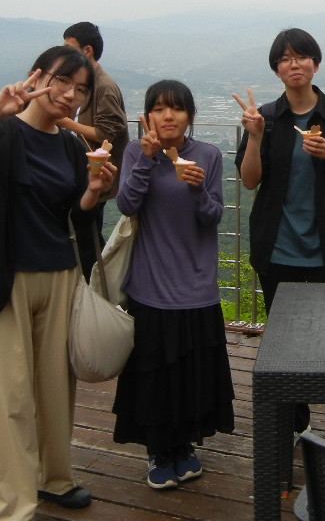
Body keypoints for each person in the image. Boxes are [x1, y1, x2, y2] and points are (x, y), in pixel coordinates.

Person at [0, 46, 114, 521]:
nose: (69, 95)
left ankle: (54, 477)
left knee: (55, 391)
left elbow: (72, 216)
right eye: (62, 81)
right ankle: (13, 505)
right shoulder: (0, 133)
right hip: (6, 281)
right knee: (7, 399)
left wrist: (93, 193)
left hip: (60, 277)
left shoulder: (71, 145)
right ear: (38, 77)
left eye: (80, 90)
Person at [233, 28, 325, 449]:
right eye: (285, 58)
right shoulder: (266, 119)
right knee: (285, 346)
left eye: (301, 56)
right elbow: (249, 180)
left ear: (316, 64)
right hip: (278, 249)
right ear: (276, 69)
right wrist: (256, 136)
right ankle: (295, 425)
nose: (294, 64)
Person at [111, 80, 235, 489]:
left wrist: (197, 189)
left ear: (190, 116)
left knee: (190, 372)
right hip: (151, 283)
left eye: (177, 108)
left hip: (196, 284)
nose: (169, 116)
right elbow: (127, 204)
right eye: (160, 108)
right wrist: (147, 160)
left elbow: (213, 215)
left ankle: (184, 446)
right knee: (155, 372)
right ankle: (158, 450)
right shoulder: (136, 152)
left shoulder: (208, 155)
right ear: (148, 116)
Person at [60, 22, 130, 277]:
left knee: (87, 236)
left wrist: (66, 123)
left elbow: (107, 133)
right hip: (83, 172)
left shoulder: (104, 86)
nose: (64, 54)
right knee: (84, 233)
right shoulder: (87, 82)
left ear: (87, 50)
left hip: (98, 173)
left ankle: (97, 286)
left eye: (69, 48)